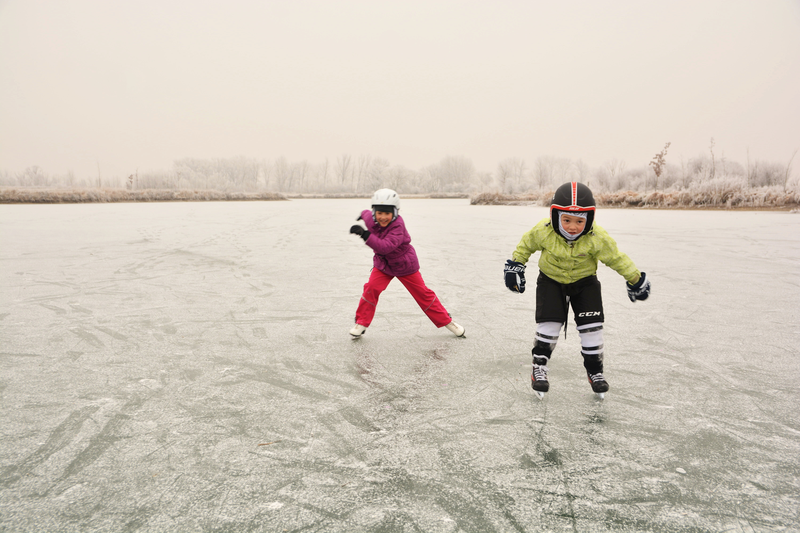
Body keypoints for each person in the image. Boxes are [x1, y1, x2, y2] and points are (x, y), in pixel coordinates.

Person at [504, 181, 651, 396]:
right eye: (566, 220)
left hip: (585, 283)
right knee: (549, 324)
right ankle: (540, 367)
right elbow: (525, 245)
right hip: (551, 281)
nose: (573, 226)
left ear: (589, 219)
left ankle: (595, 371)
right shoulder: (543, 231)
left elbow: (616, 258)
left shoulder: (596, 237)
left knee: (592, 328)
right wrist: (515, 265)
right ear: (556, 217)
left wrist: (635, 278)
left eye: (579, 221)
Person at [348, 188, 465, 338]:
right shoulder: (372, 219)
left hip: (404, 265)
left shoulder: (398, 226)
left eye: (387, 213)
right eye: (379, 213)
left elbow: (385, 247)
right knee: (371, 288)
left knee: (423, 294)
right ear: (374, 213)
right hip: (383, 266)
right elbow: (366, 213)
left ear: (395, 213)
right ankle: (362, 322)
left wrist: (365, 234)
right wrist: (362, 215)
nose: (383, 217)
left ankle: (449, 322)